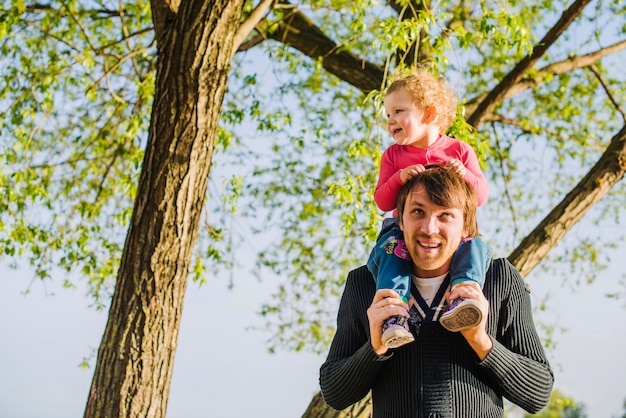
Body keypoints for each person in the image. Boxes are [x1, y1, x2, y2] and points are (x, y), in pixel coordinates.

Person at [320, 166, 554, 417]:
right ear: (400, 220)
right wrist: (374, 349)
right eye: (418, 211)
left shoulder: (499, 279)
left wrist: (480, 340)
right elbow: (335, 393)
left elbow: (538, 393)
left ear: (466, 225)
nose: (429, 228)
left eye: (445, 215)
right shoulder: (365, 284)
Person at [367, 69, 491, 349]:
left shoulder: (459, 150)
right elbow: (382, 202)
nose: (390, 121)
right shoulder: (393, 155)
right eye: (387, 114)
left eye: (398, 111)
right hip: (402, 232)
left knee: (476, 247)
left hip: (456, 233)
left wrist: (465, 175)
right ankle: (395, 313)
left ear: (429, 114)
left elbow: (480, 194)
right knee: (390, 252)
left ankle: (464, 297)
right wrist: (398, 179)